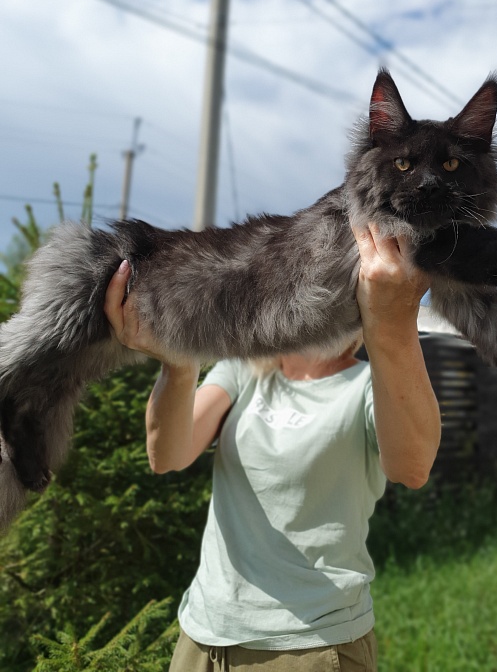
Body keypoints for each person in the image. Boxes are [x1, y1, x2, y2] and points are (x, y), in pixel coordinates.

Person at [103, 224, 441, 672]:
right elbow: (167, 456)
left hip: (311, 646)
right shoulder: (246, 368)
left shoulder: (367, 385)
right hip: (204, 635)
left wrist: (395, 324)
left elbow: (413, 467)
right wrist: (178, 362)